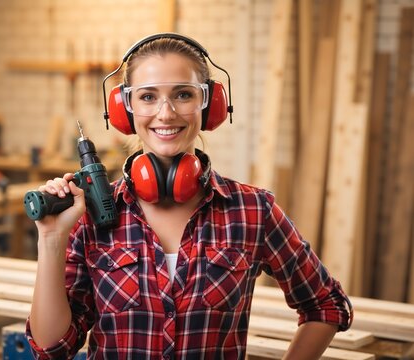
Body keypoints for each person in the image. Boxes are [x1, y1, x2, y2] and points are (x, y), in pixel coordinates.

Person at [25, 33, 353, 359]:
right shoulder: (92, 215)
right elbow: (52, 347)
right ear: (125, 109)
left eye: (183, 94)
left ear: (210, 103)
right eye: (148, 97)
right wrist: (52, 238)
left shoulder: (253, 211)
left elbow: (327, 305)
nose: (166, 113)